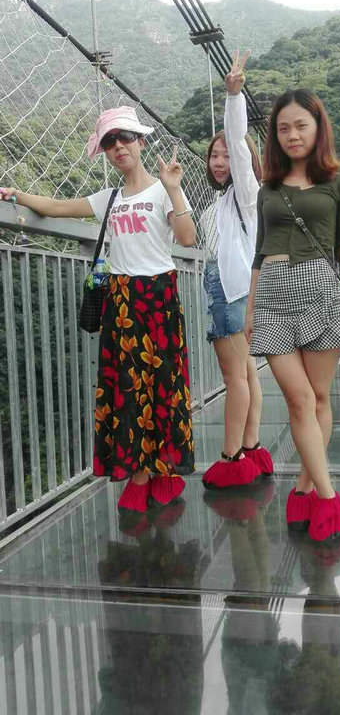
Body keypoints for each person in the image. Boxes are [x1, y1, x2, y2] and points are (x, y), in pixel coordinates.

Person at [0, 106, 196, 509]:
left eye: (125, 137)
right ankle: (141, 471)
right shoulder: (109, 199)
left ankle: (160, 469)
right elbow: (56, 207)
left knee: (164, 381)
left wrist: (175, 189)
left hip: (159, 296)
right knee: (128, 385)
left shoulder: (163, 189)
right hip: (121, 300)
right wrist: (15, 195)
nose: (119, 146)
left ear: (140, 142)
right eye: (109, 141)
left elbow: (187, 238)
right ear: (105, 151)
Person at [244, 89, 340, 540]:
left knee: (318, 398)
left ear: (318, 128)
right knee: (299, 399)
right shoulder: (268, 188)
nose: (292, 135)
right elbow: (259, 253)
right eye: (283, 128)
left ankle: (304, 487)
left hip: (319, 290)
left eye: (301, 125)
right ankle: (327, 495)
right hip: (274, 295)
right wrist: (250, 307)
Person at [200, 51, 273, 490]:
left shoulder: (247, 193)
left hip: (232, 293)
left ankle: (231, 459)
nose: (219, 161)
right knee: (246, 374)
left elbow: (240, 147)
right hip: (231, 292)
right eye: (214, 155)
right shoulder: (222, 203)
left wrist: (233, 98)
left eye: (227, 154)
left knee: (234, 378)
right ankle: (251, 448)